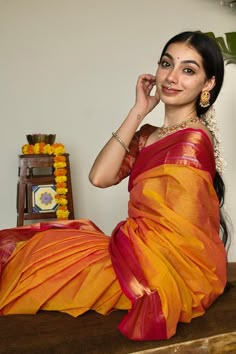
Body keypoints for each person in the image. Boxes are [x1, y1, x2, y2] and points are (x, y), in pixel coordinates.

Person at [0, 31, 229, 341]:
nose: (172, 77)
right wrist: (138, 111)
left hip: (165, 265)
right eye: (166, 64)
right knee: (43, 248)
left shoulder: (193, 139)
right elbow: (100, 177)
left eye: (188, 70)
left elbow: (180, 235)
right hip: (135, 245)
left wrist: (139, 251)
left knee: (47, 270)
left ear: (208, 83)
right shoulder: (148, 134)